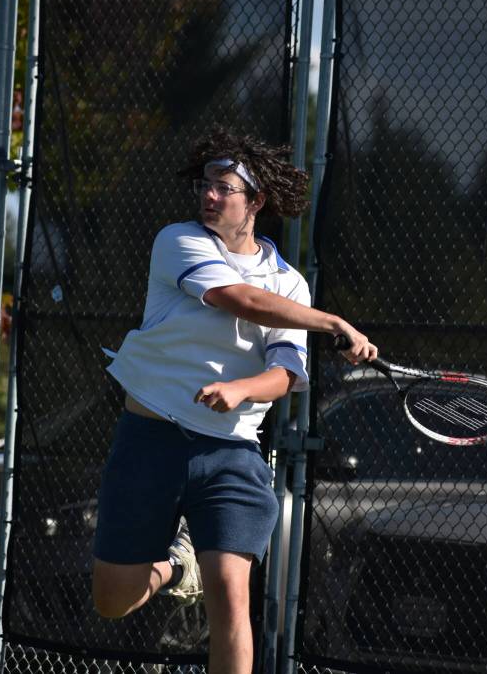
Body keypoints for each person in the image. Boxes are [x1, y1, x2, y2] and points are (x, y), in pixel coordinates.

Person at [91, 126, 377, 674]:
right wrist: (333, 323)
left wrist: (240, 389)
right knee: (112, 599)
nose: (209, 195)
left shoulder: (290, 284)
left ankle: (199, 569)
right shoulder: (178, 241)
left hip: (232, 455)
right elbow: (238, 298)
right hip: (150, 442)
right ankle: (179, 567)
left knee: (232, 596)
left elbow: (285, 375)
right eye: (205, 184)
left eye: (224, 187)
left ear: (256, 202)